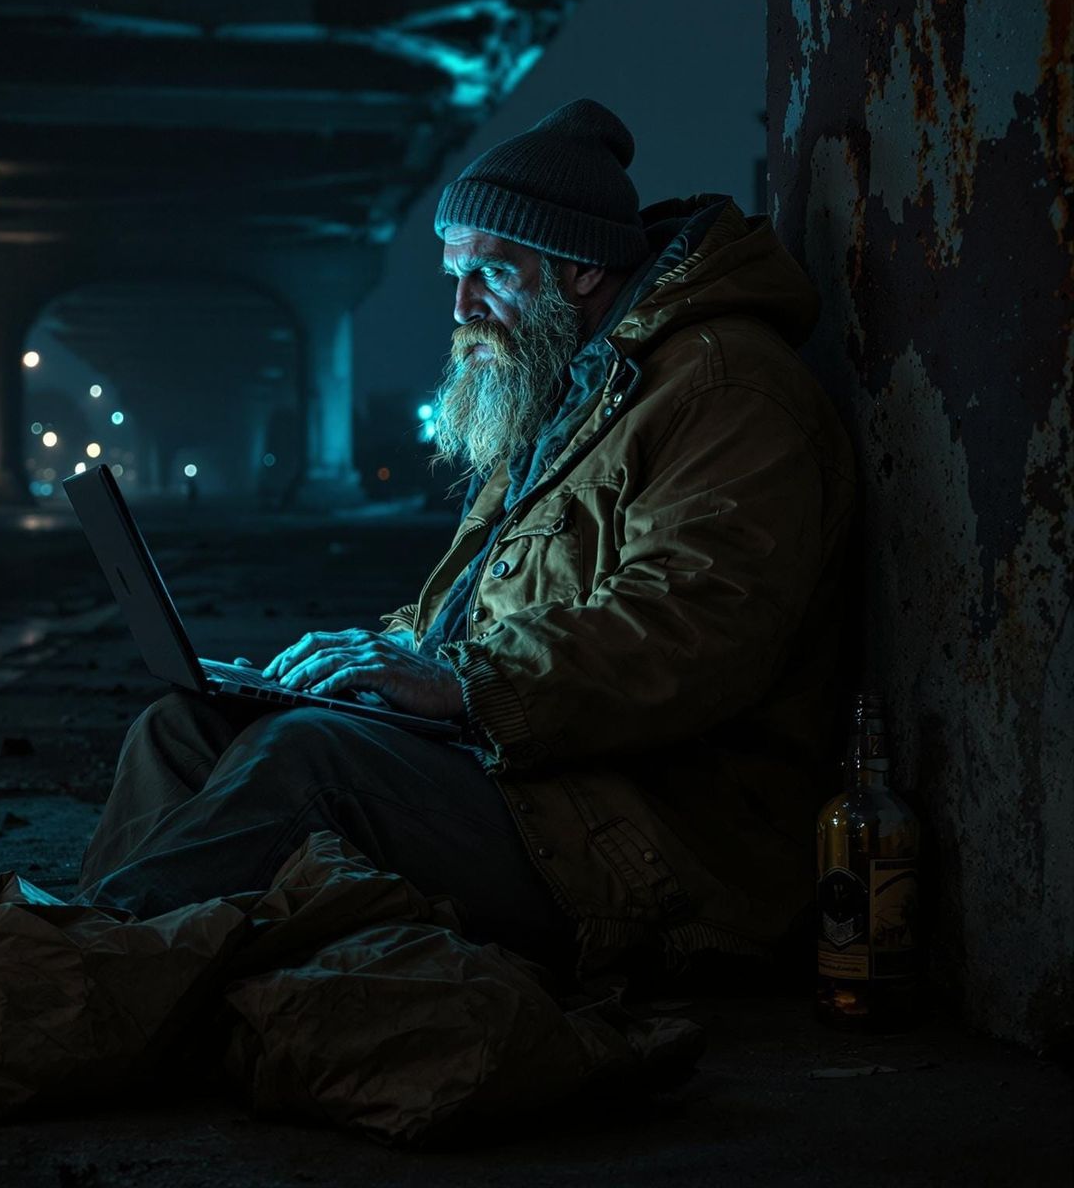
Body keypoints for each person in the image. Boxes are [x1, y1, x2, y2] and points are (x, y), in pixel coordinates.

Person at [78, 98, 855, 977]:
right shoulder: (567, 397)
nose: (460, 306)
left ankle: (88, 972)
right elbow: (469, 615)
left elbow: (693, 631)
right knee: (185, 726)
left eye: (489, 271)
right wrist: (358, 665)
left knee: (312, 763)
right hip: (532, 779)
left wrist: (463, 683)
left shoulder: (723, 390)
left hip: (646, 839)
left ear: (581, 271)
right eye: (454, 275)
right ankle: (113, 963)